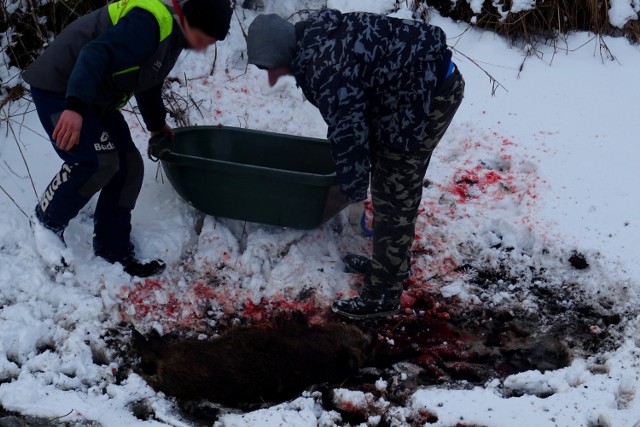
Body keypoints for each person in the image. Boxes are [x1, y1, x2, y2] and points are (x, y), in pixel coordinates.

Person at [246, 11, 465, 319]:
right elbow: (355, 112)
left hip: (431, 95)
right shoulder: (316, 39)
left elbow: (348, 128)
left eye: (271, 67)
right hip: (409, 93)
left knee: (394, 191)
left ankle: (383, 294)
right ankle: (388, 267)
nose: (272, 75)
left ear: (282, 52)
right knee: (391, 182)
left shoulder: (326, 65)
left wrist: (352, 187)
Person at [23, 0, 233, 277]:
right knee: (97, 161)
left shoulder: (172, 37)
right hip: (61, 88)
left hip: (97, 98)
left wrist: (157, 125)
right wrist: (74, 107)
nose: (206, 46)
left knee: (129, 166)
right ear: (194, 22)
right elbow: (94, 55)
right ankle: (46, 222)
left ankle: (112, 247)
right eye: (208, 38)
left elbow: (148, 82)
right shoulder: (148, 24)